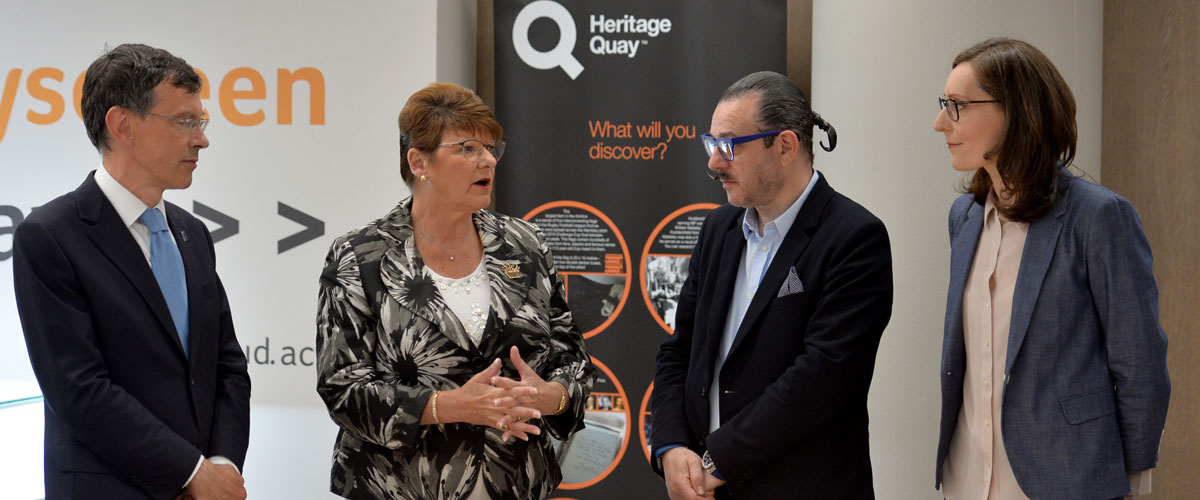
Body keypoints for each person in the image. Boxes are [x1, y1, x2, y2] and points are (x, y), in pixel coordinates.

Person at [315, 82, 595, 500]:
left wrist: (551, 397)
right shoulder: (361, 256)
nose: (487, 160)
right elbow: (342, 388)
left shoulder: (526, 243)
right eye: (467, 148)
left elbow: (571, 359)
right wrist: (448, 406)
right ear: (418, 161)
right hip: (398, 486)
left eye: (491, 148)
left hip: (516, 484)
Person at [933, 38, 1171, 500]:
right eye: (944, 105)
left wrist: (1136, 479)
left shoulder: (1098, 217)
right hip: (967, 477)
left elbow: (1139, 362)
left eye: (957, 106)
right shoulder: (963, 217)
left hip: (1069, 478)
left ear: (1018, 110)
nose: (940, 123)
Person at [11, 44, 251, 500]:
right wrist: (192, 473)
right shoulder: (51, 236)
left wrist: (220, 465)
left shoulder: (192, 233)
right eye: (185, 121)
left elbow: (227, 367)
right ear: (123, 125)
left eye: (201, 122)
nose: (201, 139)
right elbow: (80, 392)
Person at [650, 71, 894, 499]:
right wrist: (671, 446)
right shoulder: (718, 229)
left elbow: (820, 381)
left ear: (784, 146)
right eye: (711, 144)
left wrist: (715, 461)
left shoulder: (854, 237)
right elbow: (680, 349)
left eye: (728, 146)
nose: (713, 163)